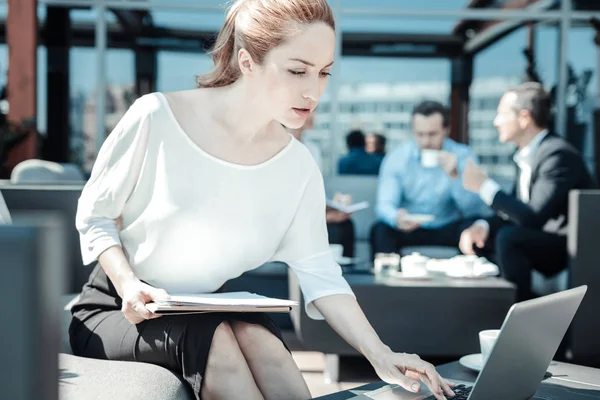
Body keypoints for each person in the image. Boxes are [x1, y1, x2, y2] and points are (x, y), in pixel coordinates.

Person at [68, 1, 454, 400]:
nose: (314, 91)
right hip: (118, 308)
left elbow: (320, 272)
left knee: (265, 346)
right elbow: (96, 215)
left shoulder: (298, 166)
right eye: (297, 70)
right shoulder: (156, 117)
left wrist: (381, 353)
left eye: (324, 73)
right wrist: (129, 284)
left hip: (205, 309)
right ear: (247, 62)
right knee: (221, 350)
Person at [458, 82, 595, 302]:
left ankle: (518, 312)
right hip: (541, 239)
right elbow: (513, 212)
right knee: (482, 233)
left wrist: (484, 185)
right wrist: (481, 226)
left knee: (509, 237)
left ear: (524, 118)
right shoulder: (525, 156)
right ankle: (486, 308)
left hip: (567, 248)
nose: (496, 122)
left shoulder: (558, 155)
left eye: (501, 114)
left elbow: (532, 217)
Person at [371, 100, 491, 258]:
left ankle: (477, 278)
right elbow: (384, 205)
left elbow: (474, 210)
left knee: (475, 226)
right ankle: (388, 279)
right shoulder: (398, 158)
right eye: (420, 134)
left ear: (446, 130)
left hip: (448, 226)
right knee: (381, 229)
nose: (426, 142)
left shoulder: (463, 156)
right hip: (410, 228)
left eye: (432, 134)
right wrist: (397, 218)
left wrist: (455, 176)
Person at [289, 113, 355, 257]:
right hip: (287, 221)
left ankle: (342, 277)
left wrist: (332, 207)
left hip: (308, 215)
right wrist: (324, 217)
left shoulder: (312, 149)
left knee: (345, 225)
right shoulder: (276, 148)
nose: (313, 115)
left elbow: (311, 194)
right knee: (334, 230)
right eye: (308, 109)